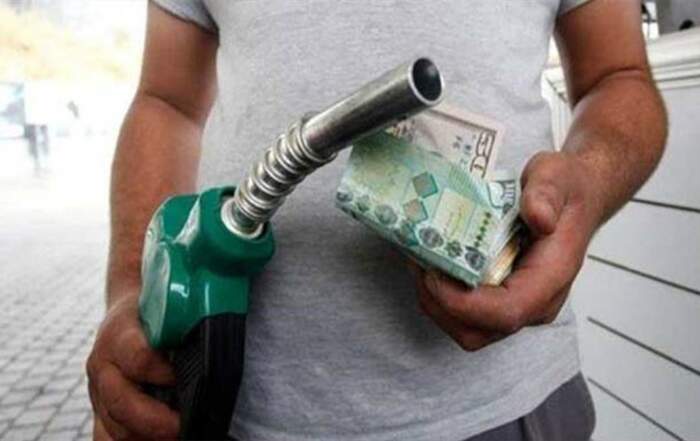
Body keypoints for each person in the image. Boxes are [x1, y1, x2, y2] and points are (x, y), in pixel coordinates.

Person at [86, 1, 667, 440]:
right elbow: (167, 102)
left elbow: (617, 75)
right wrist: (133, 295)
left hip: (505, 405)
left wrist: (587, 185)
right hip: (228, 402)